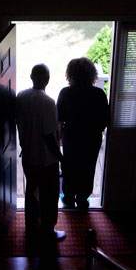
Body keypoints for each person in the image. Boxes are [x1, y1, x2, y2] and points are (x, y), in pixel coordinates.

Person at [16, 64, 66, 241]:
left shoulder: (21, 96)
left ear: (31, 77)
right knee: (49, 196)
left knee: (32, 192)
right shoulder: (48, 102)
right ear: (47, 79)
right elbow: (49, 136)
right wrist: (61, 158)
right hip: (46, 160)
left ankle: (31, 227)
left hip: (28, 156)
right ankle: (47, 230)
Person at [57, 57, 110, 212]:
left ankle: (68, 196)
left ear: (71, 74)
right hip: (92, 138)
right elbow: (105, 120)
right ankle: (82, 197)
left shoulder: (65, 93)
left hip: (71, 136)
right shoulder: (99, 94)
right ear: (91, 74)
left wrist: (59, 137)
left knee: (69, 166)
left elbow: (59, 120)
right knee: (88, 167)